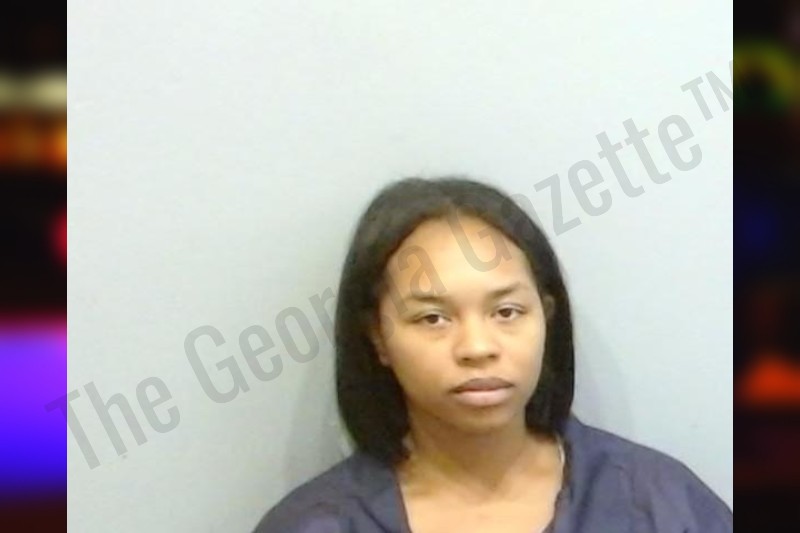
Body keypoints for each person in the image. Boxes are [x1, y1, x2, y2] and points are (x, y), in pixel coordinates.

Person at [253, 177, 732, 532]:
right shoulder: (317, 524)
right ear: (378, 337)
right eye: (433, 318)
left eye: (506, 312)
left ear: (546, 318)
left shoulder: (659, 504)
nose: (477, 348)